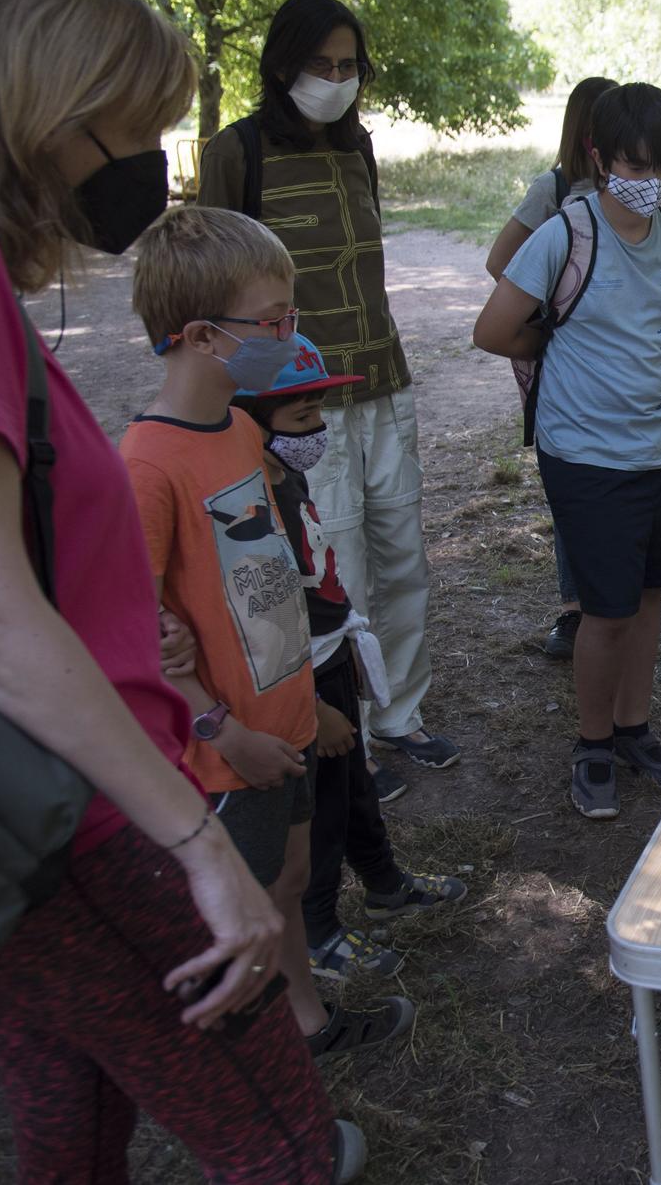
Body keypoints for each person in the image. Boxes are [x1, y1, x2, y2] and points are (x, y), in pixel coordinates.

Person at [0, 0, 360, 1182]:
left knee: (71, 1128)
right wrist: (192, 844)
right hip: (61, 809)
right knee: (282, 1139)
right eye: (137, 130)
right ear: (52, 110)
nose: (148, 164)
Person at [125, 204, 414, 1062]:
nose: (290, 337)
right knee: (244, 908)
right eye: (275, 322)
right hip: (227, 749)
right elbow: (133, 630)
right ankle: (254, 1066)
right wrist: (223, 729)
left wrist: (306, 704)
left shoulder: (245, 429)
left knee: (288, 881)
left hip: (283, 718)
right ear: (206, 337)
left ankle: (306, 1024)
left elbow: (269, 584)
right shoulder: (145, 464)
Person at [199, 0, 457, 777]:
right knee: (334, 569)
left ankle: (402, 715)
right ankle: (346, 736)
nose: (338, 79)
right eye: (323, 64)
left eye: (350, 66)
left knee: (403, 560)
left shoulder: (359, 149)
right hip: (302, 408)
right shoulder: (236, 152)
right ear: (283, 65)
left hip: (384, 381)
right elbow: (210, 285)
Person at [472, 82, 661, 821]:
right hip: (587, 456)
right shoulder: (563, 235)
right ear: (600, 159)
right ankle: (592, 744)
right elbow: (494, 328)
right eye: (634, 166)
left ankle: (633, 728)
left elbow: (657, 326)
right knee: (603, 612)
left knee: (651, 595)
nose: (649, 182)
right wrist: (555, 344)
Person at [232, 335, 467, 979]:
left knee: (356, 786)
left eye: (320, 414)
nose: (319, 430)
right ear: (250, 417)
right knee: (321, 811)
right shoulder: (249, 499)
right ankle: (317, 930)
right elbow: (259, 619)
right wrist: (309, 701)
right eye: (303, 418)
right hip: (298, 673)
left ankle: (386, 883)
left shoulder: (289, 471)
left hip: (332, 653)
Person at [485, 75, 618, 662]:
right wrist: (545, 317)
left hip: (615, 361)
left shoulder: (631, 188)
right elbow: (499, 260)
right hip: (559, 358)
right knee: (569, 478)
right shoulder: (555, 186)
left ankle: (616, 600)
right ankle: (574, 610)